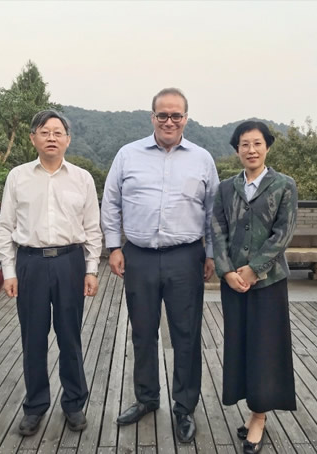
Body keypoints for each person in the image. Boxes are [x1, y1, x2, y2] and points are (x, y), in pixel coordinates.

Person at [101, 88, 219, 443]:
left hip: (186, 257)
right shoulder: (128, 155)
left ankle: (184, 406)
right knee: (142, 332)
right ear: (152, 117)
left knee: (186, 334)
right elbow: (111, 202)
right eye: (162, 115)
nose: (169, 121)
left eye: (176, 115)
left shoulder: (202, 159)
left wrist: (211, 253)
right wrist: (113, 247)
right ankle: (147, 398)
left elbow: (213, 212)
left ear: (186, 118)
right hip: (139, 255)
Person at [0, 110, 102, 436]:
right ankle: (35, 405)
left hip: (70, 262)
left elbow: (92, 228)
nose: (51, 138)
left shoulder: (82, 178)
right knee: (33, 338)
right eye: (45, 132)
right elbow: (5, 227)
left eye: (58, 132)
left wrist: (91, 269)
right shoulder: (18, 177)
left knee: (70, 336)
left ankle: (74, 403)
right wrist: (9, 271)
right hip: (31, 263)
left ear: (68, 139)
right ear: (33, 138)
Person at [211, 120, 298, 454]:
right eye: (244, 144)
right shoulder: (226, 188)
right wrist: (227, 272)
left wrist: (254, 270)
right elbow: (217, 231)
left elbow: (283, 234)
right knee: (240, 345)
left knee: (265, 348)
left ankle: (259, 416)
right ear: (237, 150)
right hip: (233, 282)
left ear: (267, 147)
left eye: (257, 143)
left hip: (268, 283)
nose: (251, 150)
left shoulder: (284, 185)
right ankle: (250, 407)